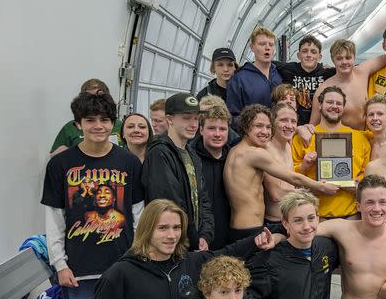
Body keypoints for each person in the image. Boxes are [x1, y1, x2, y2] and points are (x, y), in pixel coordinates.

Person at [79, 199, 275, 299]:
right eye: (162, 228)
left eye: (177, 227)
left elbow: (230, 253)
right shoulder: (119, 275)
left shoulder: (191, 262)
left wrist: (262, 239)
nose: (171, 235)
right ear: (146, 230)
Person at [42, 92, 144, 299]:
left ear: (114, 123)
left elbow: (139, 214)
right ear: (78, 124)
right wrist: (60, 265)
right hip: (79, 273)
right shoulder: (60, 165)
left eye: (105, 120)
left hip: (122, 267)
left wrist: (139, 258)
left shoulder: (129, 162)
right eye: (90, 120)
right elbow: (55, 218)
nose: (98, 126)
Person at [245, 190, 340, 299]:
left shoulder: (327, 248)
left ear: (318, 218)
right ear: (286, 223)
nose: (306, 226)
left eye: (311, 218)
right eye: (298, 220)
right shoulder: (269, 261)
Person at [224, 104, 338, 241]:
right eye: (258, 126)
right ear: (246, 126)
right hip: (252, 228)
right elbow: (292, 179)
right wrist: (320, 187)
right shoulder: (256, 153)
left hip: (241, 225)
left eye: (267, 127)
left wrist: (301, 129)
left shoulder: (235, 150)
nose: (265, 131)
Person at [142, 93, 214, 251]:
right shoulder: (159, 153)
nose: (193, 124)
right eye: (186, 118)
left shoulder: (192, 154)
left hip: (192, 243)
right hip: (171, 243)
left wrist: (206, 235)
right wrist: (194, 239)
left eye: (196, 118)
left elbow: (203, 199)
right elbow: (171, 203)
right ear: (169, 119)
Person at [310, 39, 386, 130]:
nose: (344, 62)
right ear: (333, 60)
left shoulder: (362, 71)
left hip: (369, 137)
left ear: (354, 58)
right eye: (339, 58)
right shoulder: (324, 90)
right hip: (344, 140)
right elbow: (313, 125)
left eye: (348, 58)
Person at [293, 86, 370, 218]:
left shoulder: (360, 138)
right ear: (320, 105)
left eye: (338, 103)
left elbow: (366, 175)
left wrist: (356, 186)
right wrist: (305, 166)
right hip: (315, 217)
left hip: (352, 216)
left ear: (343, 108)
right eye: (329, 102)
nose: (334, 106)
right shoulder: (305, 137)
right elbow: (292, 177)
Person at [190, 104, 233, 250]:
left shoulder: (234, 158)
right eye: (211, 128)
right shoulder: (190, 159)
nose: (217, 134)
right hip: (199, 238)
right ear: (201, 129)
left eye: (222, 129)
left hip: (228, 236)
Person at [50, 79, 123, 156]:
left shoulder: (121, 126)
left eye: (99, 95)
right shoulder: (70, 127)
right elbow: (55, 155)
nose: (94, 101)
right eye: (89, 97)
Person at [226, 27, 283, 124]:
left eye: (271, 44)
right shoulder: (239, 79)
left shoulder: (280, 74)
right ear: (252, 47)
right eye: (262, 44)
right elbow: (233, 116)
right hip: (253, 135)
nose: (267, 48)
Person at [276, 35, 336, 125]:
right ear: (298, 55)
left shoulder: (327, 73)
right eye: (304, 51)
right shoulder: (289, 69)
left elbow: (350, 68)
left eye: (313, 52)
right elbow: (265, 62)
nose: (309, 55)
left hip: (318, 125)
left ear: (319, 57)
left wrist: (334, 67)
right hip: (293, 125)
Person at [263, 103, 299, 228]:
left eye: (293, 121)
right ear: (272, 122)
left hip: (291, 220)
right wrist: (314, 190)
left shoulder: (288, 146)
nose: (289, 126)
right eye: (283, 120)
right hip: (273, 222)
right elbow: (276, 193)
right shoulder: (266, 149)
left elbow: (290, 181)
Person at [364, 94, 386, 161]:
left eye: (380, 114)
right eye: (371, 114)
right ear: (366, 119)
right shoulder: (365, 142)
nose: (375, 118)